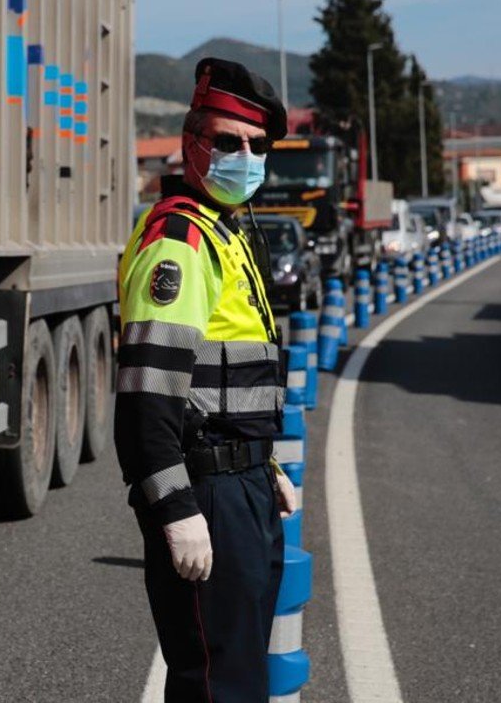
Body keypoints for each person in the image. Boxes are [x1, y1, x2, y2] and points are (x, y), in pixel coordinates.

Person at [115, 57, 298, 702]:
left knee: (240, 671)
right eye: (228, 141)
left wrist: (259, 462)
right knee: (215, 684)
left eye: (256, 145)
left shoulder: (227, 232)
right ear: (192, 144)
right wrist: (175, 508)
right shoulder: (179, 242)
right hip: (207, 494)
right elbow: (147, 396)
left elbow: (216, 378)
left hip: (239, 482)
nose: (245, 156)